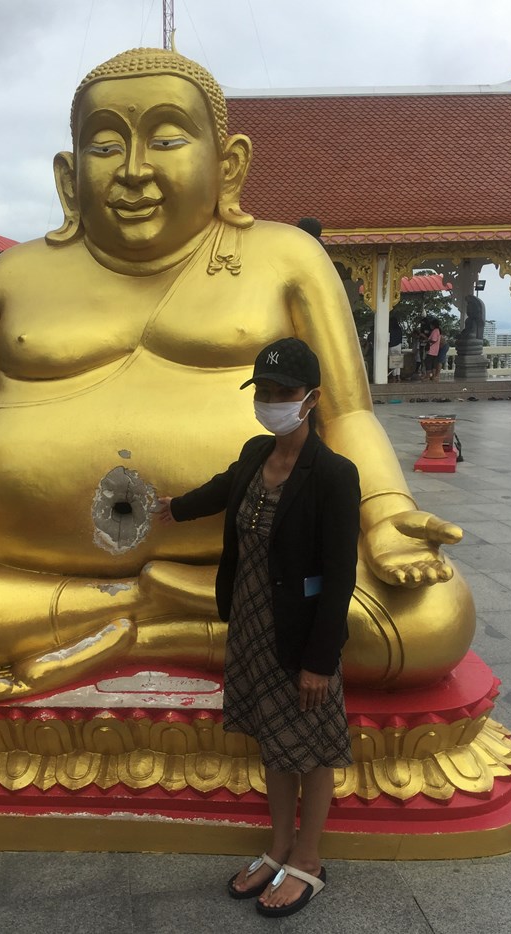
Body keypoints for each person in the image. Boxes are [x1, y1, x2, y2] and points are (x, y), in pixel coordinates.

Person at [0, 47, 473, 699]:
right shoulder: (13, 277)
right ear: (68, 175)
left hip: (260, 546)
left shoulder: (286, 258)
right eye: (105, 146)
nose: (133, 169)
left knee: (428, 619)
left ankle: (140, 627)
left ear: (228, 166)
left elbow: (348, 414)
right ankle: (139, 611)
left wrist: (386, 517)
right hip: (7, 553)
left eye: (167, 140)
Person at [157, 337, 359, 917]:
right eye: (263, 392)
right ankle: (278, 847)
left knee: (312, 747)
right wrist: (172, 508)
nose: (271, 402)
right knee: (275, 745)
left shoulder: (333, 475)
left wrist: (320, 660)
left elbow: (340, 575)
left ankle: (311, 859)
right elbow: (222, 490)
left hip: (301, 636)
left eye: (283, 393)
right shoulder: (255, 453)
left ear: (311, 398)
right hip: (249, 626)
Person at [388, 312, 403, 382]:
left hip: (392, 346)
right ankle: (398, 376)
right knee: (398, 361)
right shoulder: (399, 328)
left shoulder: (390, 329)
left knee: (393, 361)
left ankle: (393, 377)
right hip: (398, 345)